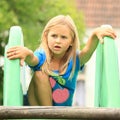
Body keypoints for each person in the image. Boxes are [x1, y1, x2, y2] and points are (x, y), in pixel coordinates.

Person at [7, 15, 116, 106]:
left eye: (63, 37)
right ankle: (49, 115)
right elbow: (33, 60)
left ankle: (52, 115)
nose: (58, 41)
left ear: (71, 41)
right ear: (46, 37)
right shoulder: (42, 55)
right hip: (36, 106)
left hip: (61, 111)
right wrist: (28, 54)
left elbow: (87, 51)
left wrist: (95, 34)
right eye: (54, 36)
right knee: (40, 74)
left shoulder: (75, 60)